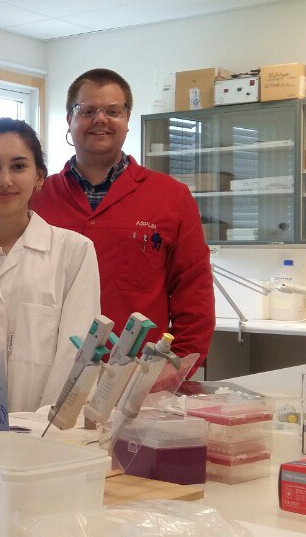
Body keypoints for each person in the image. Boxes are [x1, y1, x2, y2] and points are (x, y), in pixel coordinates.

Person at [31, 68, 214, 366]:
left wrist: (171, 372)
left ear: (127, 119)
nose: (100, 119)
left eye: (113, 111)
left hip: (136, 378)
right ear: (69, 119)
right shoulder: (37, 199)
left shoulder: (171, 197)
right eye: (87, 110)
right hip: (49, 373)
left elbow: (195, 296)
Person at [0, 118, 100, 412]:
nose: (5, 180)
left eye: (18, 166)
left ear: (39, 177)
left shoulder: (74, 252)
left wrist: (44, 428)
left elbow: (76, 354)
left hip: (46, 429)